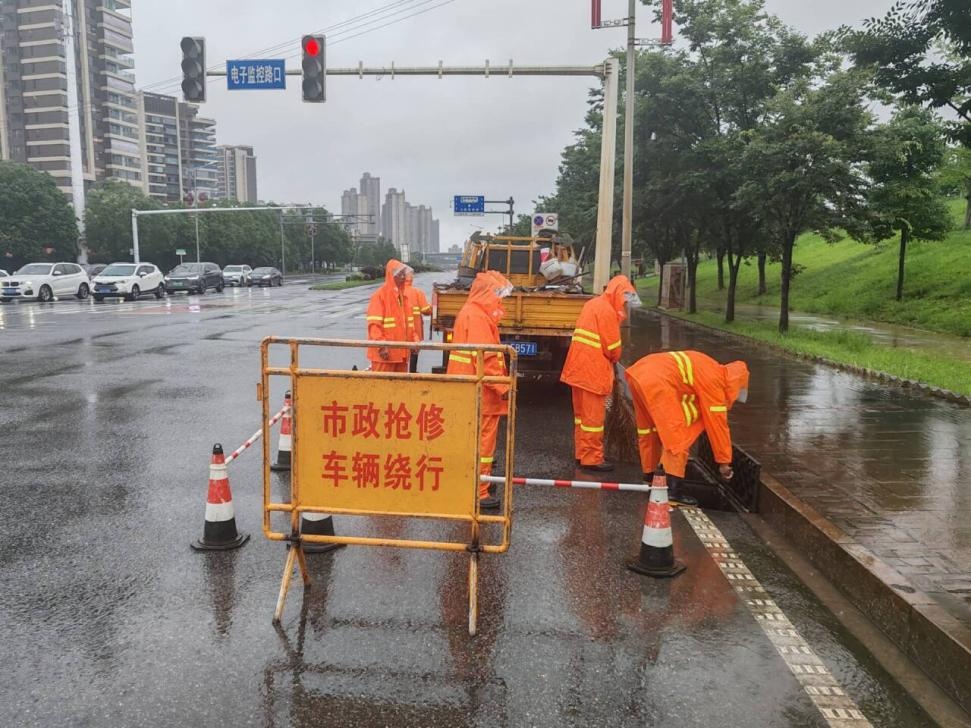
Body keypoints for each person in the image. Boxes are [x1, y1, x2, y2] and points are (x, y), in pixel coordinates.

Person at [624, 350, 749, 506]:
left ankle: (650, 478)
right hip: (658, 381)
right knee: (677, 437)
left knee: (649, 431)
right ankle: (672, 493)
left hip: (639, 373)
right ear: (735, 384)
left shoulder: (708, 365)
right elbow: (718, 424)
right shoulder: (716, 381)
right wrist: (724, 462)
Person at [446, 271, 513, 510]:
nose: (500, 300)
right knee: (483, 443)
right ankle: (479, 490)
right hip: (479, 391)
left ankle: (475, 482)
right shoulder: (478, 317)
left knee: (472, 440)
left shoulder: (472, 312)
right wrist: (504, 387)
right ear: (487, 293)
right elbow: (486, 358)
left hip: (470, 388)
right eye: (497, 294)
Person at [560, 275, 639, 472]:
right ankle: (592, 458)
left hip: (577, 370)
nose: (625, 303)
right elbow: (612, 347)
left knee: (581, 417)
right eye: (625, 298)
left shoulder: (593, 304)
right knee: (594, 419)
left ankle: (582, 453)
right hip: (592, 372)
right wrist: (614, 359)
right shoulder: (607, 311)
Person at [365, 259, 412, 373]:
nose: (403, 277)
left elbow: (408, 324)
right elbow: (374, 326)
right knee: (382, 388)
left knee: (399, 388)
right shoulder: (380, 296)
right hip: (385, 356)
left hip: (401, 355)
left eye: (404, 274)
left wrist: (414, 341)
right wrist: (382, 346)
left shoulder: (402, 297)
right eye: (400, 274)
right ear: (392, 275)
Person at [404, 270, 432, 373]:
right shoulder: (417, 292)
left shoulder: (396, 291)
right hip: (415, 328)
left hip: (400, 330)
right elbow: (425, 311)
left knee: (400, 351)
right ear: (411, 278)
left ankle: (401, 373)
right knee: (414, 352)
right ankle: (412, 372)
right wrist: (432, 307)